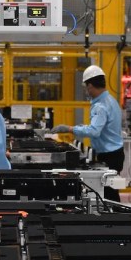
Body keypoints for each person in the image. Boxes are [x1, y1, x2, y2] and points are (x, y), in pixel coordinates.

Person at [53, 65, 124, 201]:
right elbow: (99, 127)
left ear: (90, 86)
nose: (86, 90)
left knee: (108, 195)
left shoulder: (100, 106)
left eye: (86, 87)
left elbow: (94, 131)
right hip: (115, 153)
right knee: (110, 192)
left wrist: (69, 128)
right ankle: (114, 218)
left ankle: (115, 219)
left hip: (109, 156)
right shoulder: (111, 100)